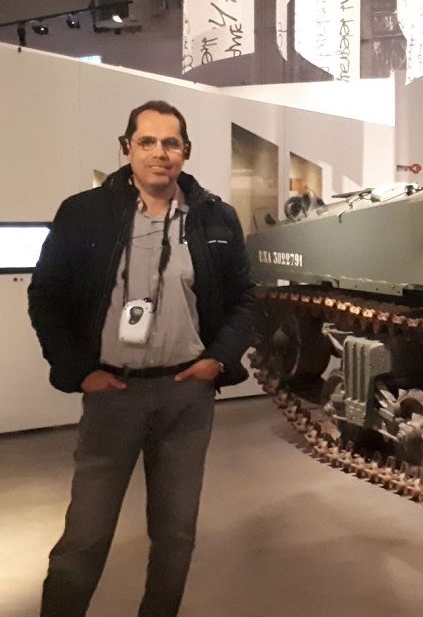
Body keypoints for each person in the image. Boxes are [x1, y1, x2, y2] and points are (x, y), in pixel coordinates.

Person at [28, 100, 257, 617]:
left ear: (186, 151)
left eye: (171, 143)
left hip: (186, 397)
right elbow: (47, 297)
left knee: (176, 536)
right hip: (114, 394)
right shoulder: (84, 213)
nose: (160, 153)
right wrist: (79, 371)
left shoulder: (215, 216)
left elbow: (244, 298)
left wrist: (217, 361)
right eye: (147, 141)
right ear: (126, 148)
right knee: (85, 537)